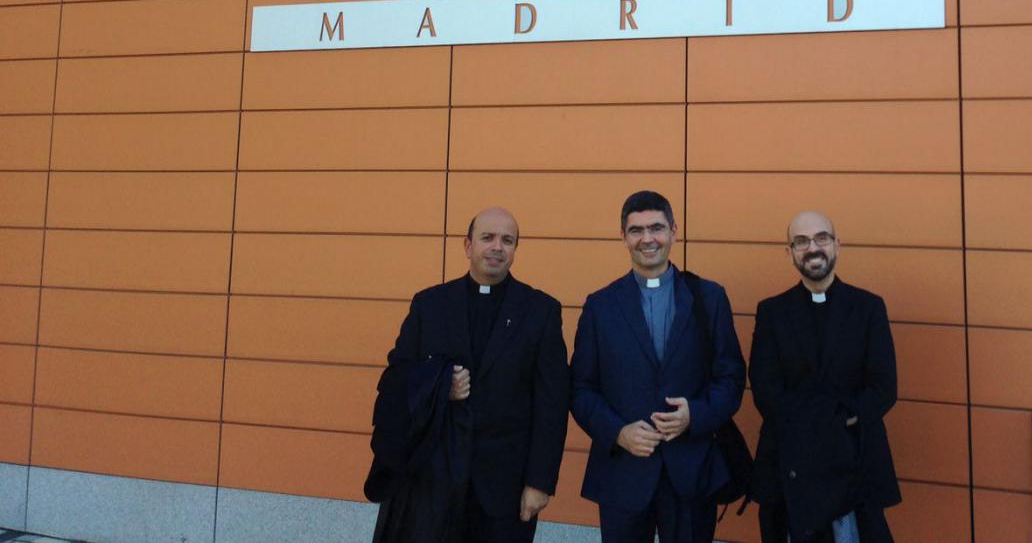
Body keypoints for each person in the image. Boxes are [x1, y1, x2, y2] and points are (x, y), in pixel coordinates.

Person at [366, 207, 570, 541]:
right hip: (432, 481)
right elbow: (394, 379)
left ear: (515, 249)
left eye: (507, 240)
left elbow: (552, 404)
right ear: (467, 245)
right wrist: (440, 384)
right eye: (487, 237)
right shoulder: (429, 304)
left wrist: (540, 482)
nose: (497, 247)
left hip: (505, 488)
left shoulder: (541, 311)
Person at [570, 190, 746, 543]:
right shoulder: (599, 306)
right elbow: (580, 388)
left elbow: (731, 377)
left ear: (674, 231)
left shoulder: (709, 298)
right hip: (623, 472)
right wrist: (618, 432)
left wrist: (694, 415)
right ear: (622, 236)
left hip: (691, 469)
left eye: (656, 228)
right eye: (636, 230)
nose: (647, 239)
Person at [748, 210, 900, 543]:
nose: (812, 248)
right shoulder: (772, 312)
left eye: (821, 238)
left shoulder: (869, 308)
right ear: (789, 252)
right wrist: (822, 423)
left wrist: (836, 422)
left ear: (837, 245)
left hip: (854, 460)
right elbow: (765, 390)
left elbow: (884, 387)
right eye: (801, 241)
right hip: (789, 463)